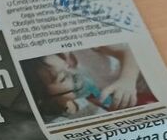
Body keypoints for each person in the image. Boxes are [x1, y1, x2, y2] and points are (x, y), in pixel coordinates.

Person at [22, 45, 152, 122]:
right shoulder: (79, 102)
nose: (74, 74)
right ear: (42, 97)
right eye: (62, 78)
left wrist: (127, 80)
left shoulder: (81, 47)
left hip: (144, 78)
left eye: (68, 66)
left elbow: (129, 50)